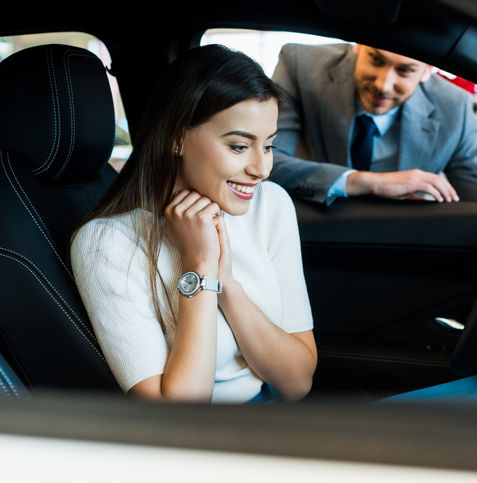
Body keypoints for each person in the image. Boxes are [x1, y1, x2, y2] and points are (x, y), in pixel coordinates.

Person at [70, 45, 317, 404]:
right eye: (238, 147)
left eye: (268, 146)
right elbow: (179, 416)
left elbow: (297, 383)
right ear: (176, 137)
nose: (261, 169)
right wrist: (199, 269)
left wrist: (228, 285)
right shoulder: (106, 243)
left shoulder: (272, 205)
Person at [269, 42, 477, 207]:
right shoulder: (300, 65)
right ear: (358, 46)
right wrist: (366, 181)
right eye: (375, 60)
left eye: (405, 71)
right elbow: (267, 164)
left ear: (429, 70)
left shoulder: (453, 108)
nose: (384, 84)